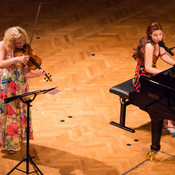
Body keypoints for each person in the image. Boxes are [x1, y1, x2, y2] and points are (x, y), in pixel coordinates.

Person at [0, 26, 44, 154]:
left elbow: (26, 73)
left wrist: (37, 74)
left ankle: (13, 142)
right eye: (18, 42)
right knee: (6, 116)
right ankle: (6, 142)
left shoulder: (25, 50)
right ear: (11, 41)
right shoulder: (3, 45)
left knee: (16, 115)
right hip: (5, 87)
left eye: (23, 41)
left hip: (20, 87)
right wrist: (16, 59)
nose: (21, 44)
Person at [132, 22, 175, 136]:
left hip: (153, 74)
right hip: (143, 77)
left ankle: (168, 118)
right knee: (164, 92)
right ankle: (169, 122)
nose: (158, 37)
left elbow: (164, 56)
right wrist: (163, 74)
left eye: (160, 34)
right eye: (155, 35)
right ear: (150, 35)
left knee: (169, 89)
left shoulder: (158, 43)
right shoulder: (149, 46)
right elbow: (148, 68)